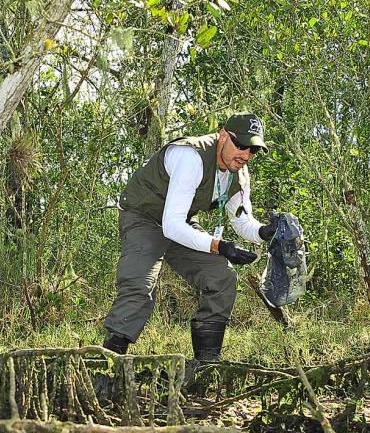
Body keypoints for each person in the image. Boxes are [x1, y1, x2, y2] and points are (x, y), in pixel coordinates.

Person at [101, 112, 275, 363]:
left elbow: (241, 220)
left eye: (253, 150)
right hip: (144, 217)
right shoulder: (191, 156)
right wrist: (219, 246)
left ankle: (206, 364)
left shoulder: (239, 174)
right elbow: (171, 225)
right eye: (241, 145)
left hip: (180, 222)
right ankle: (109, 365)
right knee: (139, 285)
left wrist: (264, 233)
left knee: (222, 276)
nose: (245, 155)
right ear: (224, 136)